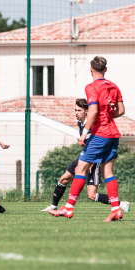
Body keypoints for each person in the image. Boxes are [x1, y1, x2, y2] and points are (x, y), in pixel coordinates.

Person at [49, 56, 125, 222]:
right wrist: (108, 115)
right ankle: (115, 209)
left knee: (80, 168)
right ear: (105, 69)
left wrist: (84, 133)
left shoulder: (91, 87)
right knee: (108, 172)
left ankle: (68, 208)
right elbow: (121, 111)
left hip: (100, 134)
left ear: (91, 70)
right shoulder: (114, 86)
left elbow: (93, 111)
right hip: (113, 134)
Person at [41, 99, 130, 212]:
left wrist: (92, 163)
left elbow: (97, 145)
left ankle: (120, 204)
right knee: (63, 179)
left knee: (91, 195)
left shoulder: (93, 125)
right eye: (75, 110)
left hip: (94, 160)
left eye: (79, 110)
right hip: (83, 157)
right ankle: (53, 206)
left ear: (87, 111)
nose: (76, 113)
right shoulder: (80, 123)